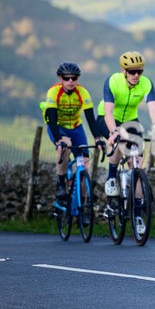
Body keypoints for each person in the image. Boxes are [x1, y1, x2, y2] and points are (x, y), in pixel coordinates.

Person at [95, 51, 155, 204]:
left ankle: (137, 209)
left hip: (131, 120)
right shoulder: (112, 81)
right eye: (132, 71)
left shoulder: (146, 83)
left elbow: (154, 109)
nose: (136, 75)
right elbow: (108, 112)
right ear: (123, 71)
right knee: (121, 142)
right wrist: (113, 131)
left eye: (139, 71)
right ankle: (112, 178)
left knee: (137, 162)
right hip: (107, 119)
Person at [40, 62, 105, 206]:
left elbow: (91, 120)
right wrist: (59, 140)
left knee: (85, 167)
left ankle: (83, 206)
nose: (70, 81)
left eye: (74, 78)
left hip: (76, 127)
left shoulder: (83, 93)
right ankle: (61, 182)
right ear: (60, 78)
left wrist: (98, 138)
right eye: (67, 78)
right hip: (58, 127)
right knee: (66, 146)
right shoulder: (53, 92)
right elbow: (51, 119)